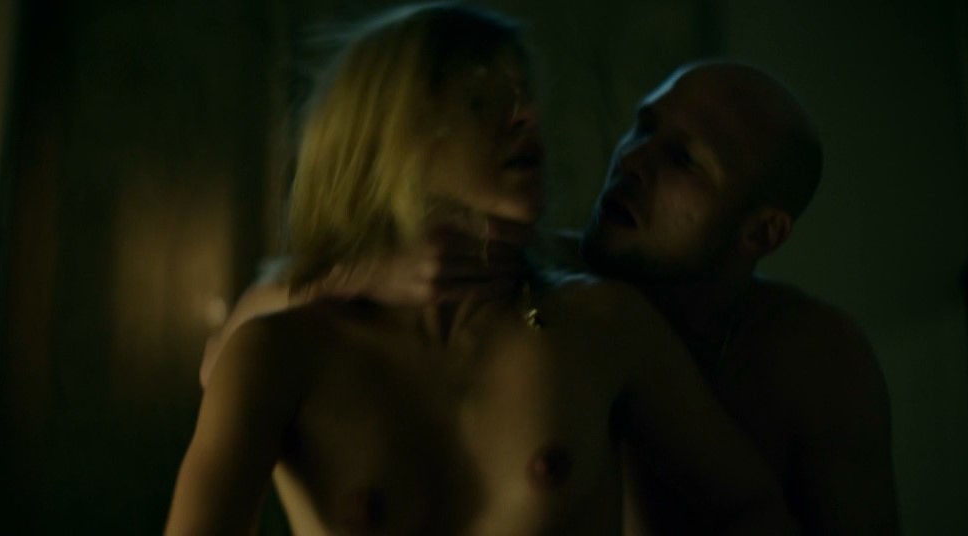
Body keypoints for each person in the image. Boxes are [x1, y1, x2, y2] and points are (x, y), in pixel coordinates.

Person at [200, 57, 899, 533]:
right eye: (644, 127)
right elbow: (230, 351)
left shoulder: (815, 358)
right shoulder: (532, 279)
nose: (632, 159)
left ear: (761, 232)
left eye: (683, 159)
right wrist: (359, 273)